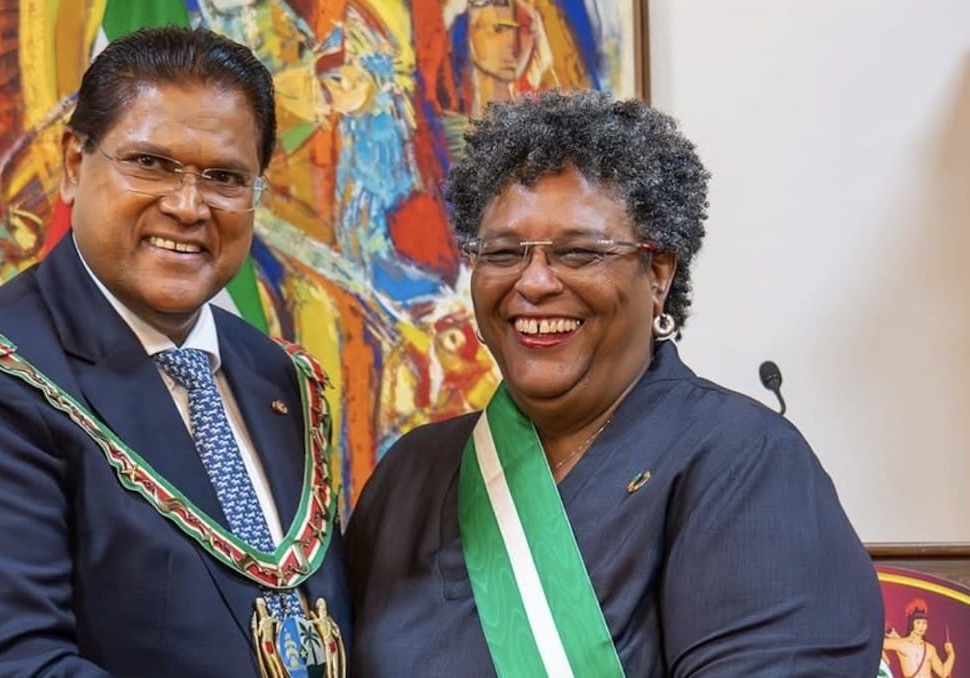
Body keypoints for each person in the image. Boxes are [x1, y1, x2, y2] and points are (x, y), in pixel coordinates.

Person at [0, 27, 349, 677]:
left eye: (225, 177)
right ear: (72, 164)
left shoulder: (279, 377)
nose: (188, 205)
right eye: (150, 163)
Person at [345, 89, 883, 676]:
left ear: (658, 275)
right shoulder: (410, 476)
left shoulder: (745, 463)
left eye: (578, 252)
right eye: (502, 253)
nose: (534, 282)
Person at [885, 599, 956, 677]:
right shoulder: (901, 644)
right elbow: (878, 644)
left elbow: (943, 673)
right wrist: (885, 661)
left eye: (924, 623)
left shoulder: (930, 648)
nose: (921, 626)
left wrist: (951, 654)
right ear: (912, 624)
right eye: (918, 622)